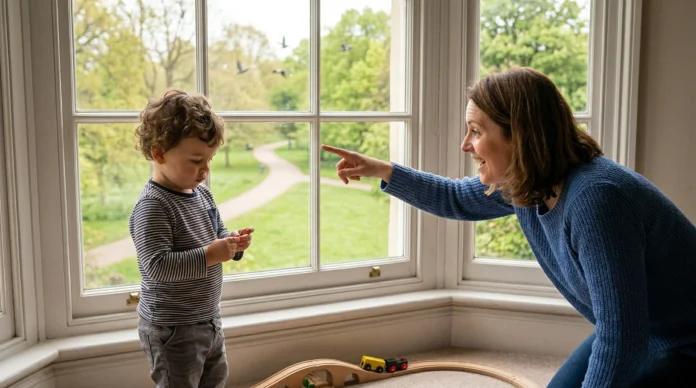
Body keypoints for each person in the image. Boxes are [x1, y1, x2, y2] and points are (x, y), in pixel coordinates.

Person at [321, 67, 696, 387]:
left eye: (476, 131)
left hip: (683, 343)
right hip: (642, 329)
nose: (465, 144)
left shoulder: (597, 200)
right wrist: (382, 170)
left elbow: (621, 337)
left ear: (519, 134)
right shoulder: (529, 182)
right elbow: (454, 198)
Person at [129, 89, 254, 388]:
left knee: (215, 380)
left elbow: (216, 233)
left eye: (209, 160)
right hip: (172, 328)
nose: (205, 171)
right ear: (159, 153)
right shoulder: (153, 206)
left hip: (208, 317)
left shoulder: (202, 194)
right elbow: (156, 266)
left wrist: (232, 243)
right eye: (196, 160)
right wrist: (211, 255)